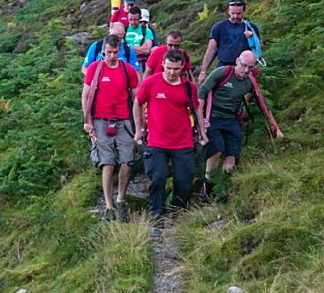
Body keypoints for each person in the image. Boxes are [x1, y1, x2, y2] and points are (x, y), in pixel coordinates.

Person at [196, 50, 283, 202]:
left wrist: (275, 127)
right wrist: (201, 119)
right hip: (213, 118)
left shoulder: (250, 82)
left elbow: (262, 104)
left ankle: (223, 189)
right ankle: (208, 187)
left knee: (232, 156)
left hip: (232, 120)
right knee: (216, 151)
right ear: (237, 61)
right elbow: (202, 92)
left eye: (250, 67)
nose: (246, 70)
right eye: (243, 65)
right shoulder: (222, 73)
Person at [133, 49, 208, 218]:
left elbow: (196, 108)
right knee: (158, 176)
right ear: (163, 65)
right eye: (168, 68)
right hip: (156, 140)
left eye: (176, 69)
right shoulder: (151, 82)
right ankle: (156, 212)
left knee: (184, 179)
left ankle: (178, 211)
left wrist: (202, 132)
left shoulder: (188, 87)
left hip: (182, 141)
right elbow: (138, 103)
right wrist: (139, 129)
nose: (172, 72)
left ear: (182, 68)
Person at [83, 35, 140, 222]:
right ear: (103, 51)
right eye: (109, 52)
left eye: (115, 52)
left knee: (127, 161)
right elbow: (86, 94)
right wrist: (87, 120)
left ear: (120, 51)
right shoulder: (95, 69)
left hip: (123, 120)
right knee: (107, 163)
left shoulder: (128, 70)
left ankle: (121, 198)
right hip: (100, 120)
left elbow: (137, 98)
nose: (112, 56)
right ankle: (108, 205)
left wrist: (139, 123)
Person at [197, 0, 261, 85]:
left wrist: (252, 38)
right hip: (224, 68)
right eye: (233, 13)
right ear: (228, 11)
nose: (235, 16)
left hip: (244, 69)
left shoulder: (251, 27)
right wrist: (203, 71)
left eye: (239, 14)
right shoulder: (219, 27)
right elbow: (211, 50)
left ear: (244, 12)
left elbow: (258, 50)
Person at [124, 7, 154, 72]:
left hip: (140, 63)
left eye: (135, 19)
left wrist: (128, 48)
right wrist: (139, 48)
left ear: (140, 18)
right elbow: (119, 48)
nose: (133, 22)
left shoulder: (146, 30)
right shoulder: (124, 29)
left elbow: (146, 50)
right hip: (126, 62)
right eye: (130, 19)